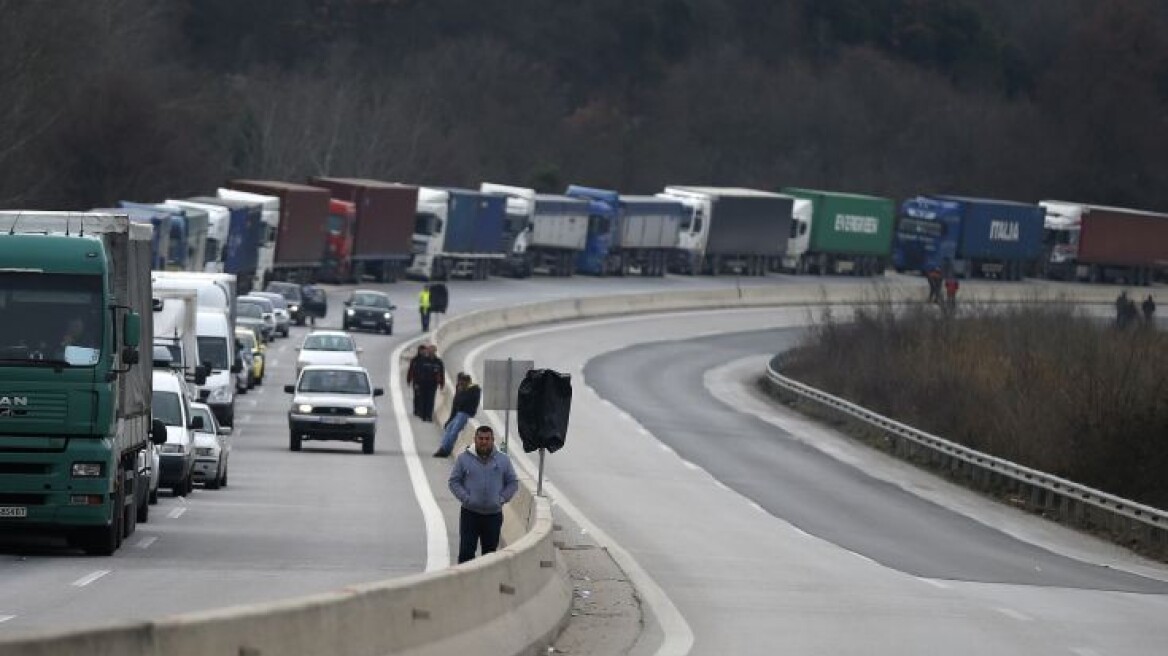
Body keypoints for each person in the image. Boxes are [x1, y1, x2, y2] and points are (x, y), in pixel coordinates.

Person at [448, 425, 518, 564]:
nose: (484, 442)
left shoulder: (503, 460)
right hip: (470, 514)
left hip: (493, 516)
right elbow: (454, 481)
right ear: (475, 439)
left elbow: (513, 483)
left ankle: (487, 584)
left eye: (487, 439)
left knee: (490, 555)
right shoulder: (464, 458)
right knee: (466, 553)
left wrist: (502, 498)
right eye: (481, 438)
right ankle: (465, 583)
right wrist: (466, 498)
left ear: (493, 440)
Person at [434, 372, 481, 458]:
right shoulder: (460, 388)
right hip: (458, 412)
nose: (459, 384)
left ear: (467, 382)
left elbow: (464, 401)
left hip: (465, 413)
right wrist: (450, 418)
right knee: (449, 428)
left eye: (462, 382)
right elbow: (455, 403)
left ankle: (446, 449)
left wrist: (463, 391)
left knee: (454, 431)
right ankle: (443, 447)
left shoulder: (474, 390)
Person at [414, 345, 445, 422]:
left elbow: (441, 373)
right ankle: (423, 415)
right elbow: (417, 372)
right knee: (423, 399)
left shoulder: (438, 362)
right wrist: (416, 383)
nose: (431, 352)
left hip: (432, 384)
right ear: (427, 351)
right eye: (430, 351)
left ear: (435, 351)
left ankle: (429, 416)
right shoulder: (422, 360)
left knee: (430, 400)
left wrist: (442, 384)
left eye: (433, 351)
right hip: (422, 383)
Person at [406, 344, 427, 418]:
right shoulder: (415, 360)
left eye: (424, 351)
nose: (423, 352)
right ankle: (416, 410)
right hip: (417, 381)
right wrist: (409, 379)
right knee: (417, 396)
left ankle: (422, 411)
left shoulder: (427, 360)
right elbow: (410, 370)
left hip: (425, 382)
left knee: (424, 396)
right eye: (422, 351)